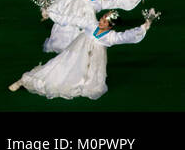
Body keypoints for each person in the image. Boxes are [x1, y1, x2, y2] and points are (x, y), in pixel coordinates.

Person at [11, 11, 153, 100]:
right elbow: (72, 19)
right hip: (73, 53)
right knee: (58, 68)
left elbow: (126, 36)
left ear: (110, 26)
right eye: (103, 17)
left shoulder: (110, 36)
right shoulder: (91, 24)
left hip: (92, 60)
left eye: (105, 21)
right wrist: (51, 14)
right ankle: (26, 80)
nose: (101, 20)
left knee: (86, 78)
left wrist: (143, 28)